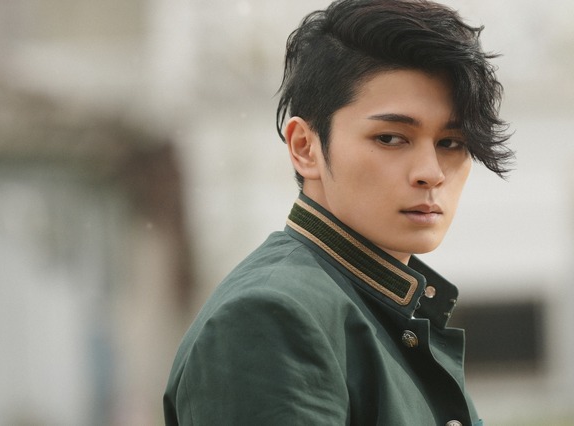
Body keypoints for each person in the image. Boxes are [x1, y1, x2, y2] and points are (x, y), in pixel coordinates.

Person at [164, 0, 513, 425]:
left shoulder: (388, 311)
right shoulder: (271, 316)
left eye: (451, 143)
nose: (431, 173)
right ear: (304, 147)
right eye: (390, 138)